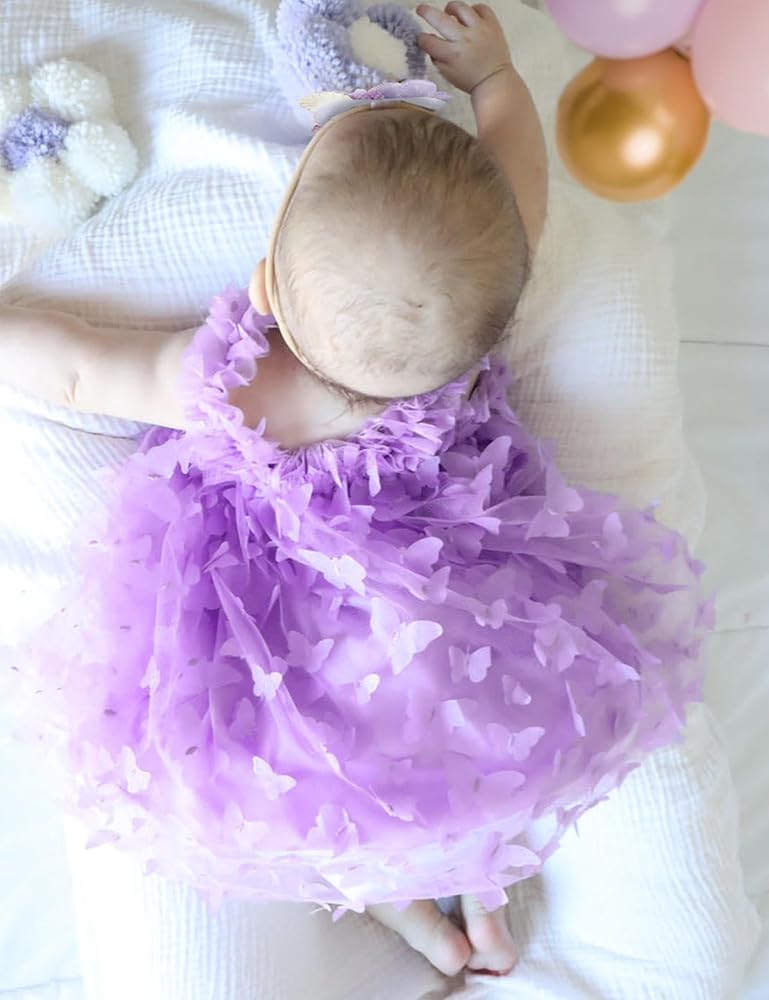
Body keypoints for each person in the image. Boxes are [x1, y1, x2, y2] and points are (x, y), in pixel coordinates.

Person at [3, 3, 707, 982]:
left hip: (288, 653)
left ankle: (414, 915)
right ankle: (478, 910)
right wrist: (495, 80)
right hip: (445, 632)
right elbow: (520, 178)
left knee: (328, 801)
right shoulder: (473, 320)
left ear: (264, 284)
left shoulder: (243, 384)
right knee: (452, 776)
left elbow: (80, 371)